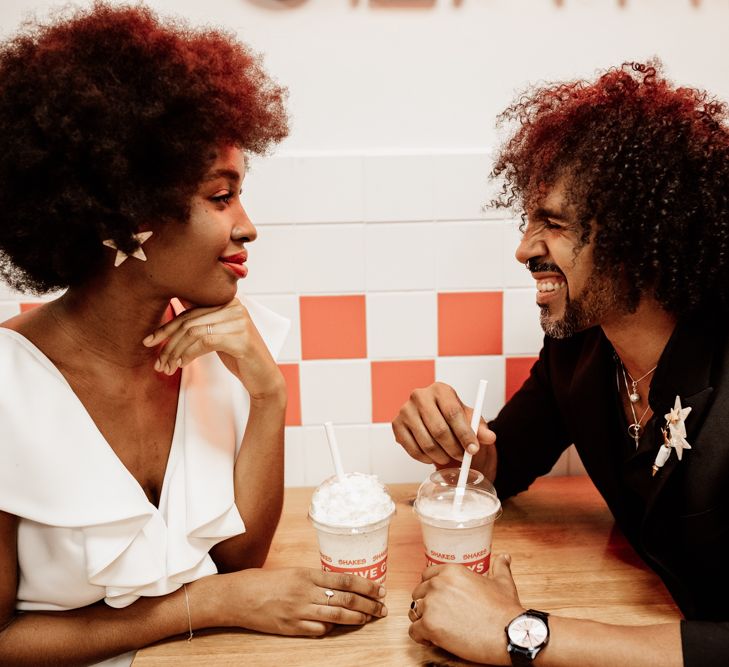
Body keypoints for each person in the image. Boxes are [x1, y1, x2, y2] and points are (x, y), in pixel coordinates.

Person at [0, 4, 386, 665]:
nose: (247, 226)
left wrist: (267, 394)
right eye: (219, 196)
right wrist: (205, 604)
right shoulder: (10, 390)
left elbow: (239, 559)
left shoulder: (216, 354)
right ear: (125, 221)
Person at [393, 61, 729, 667]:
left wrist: (522, 634)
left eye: (551, 222)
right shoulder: (579, 352)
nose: (523, 247)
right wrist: (456, 439)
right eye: (527, 220)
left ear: (637, 240)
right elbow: (504, 462)